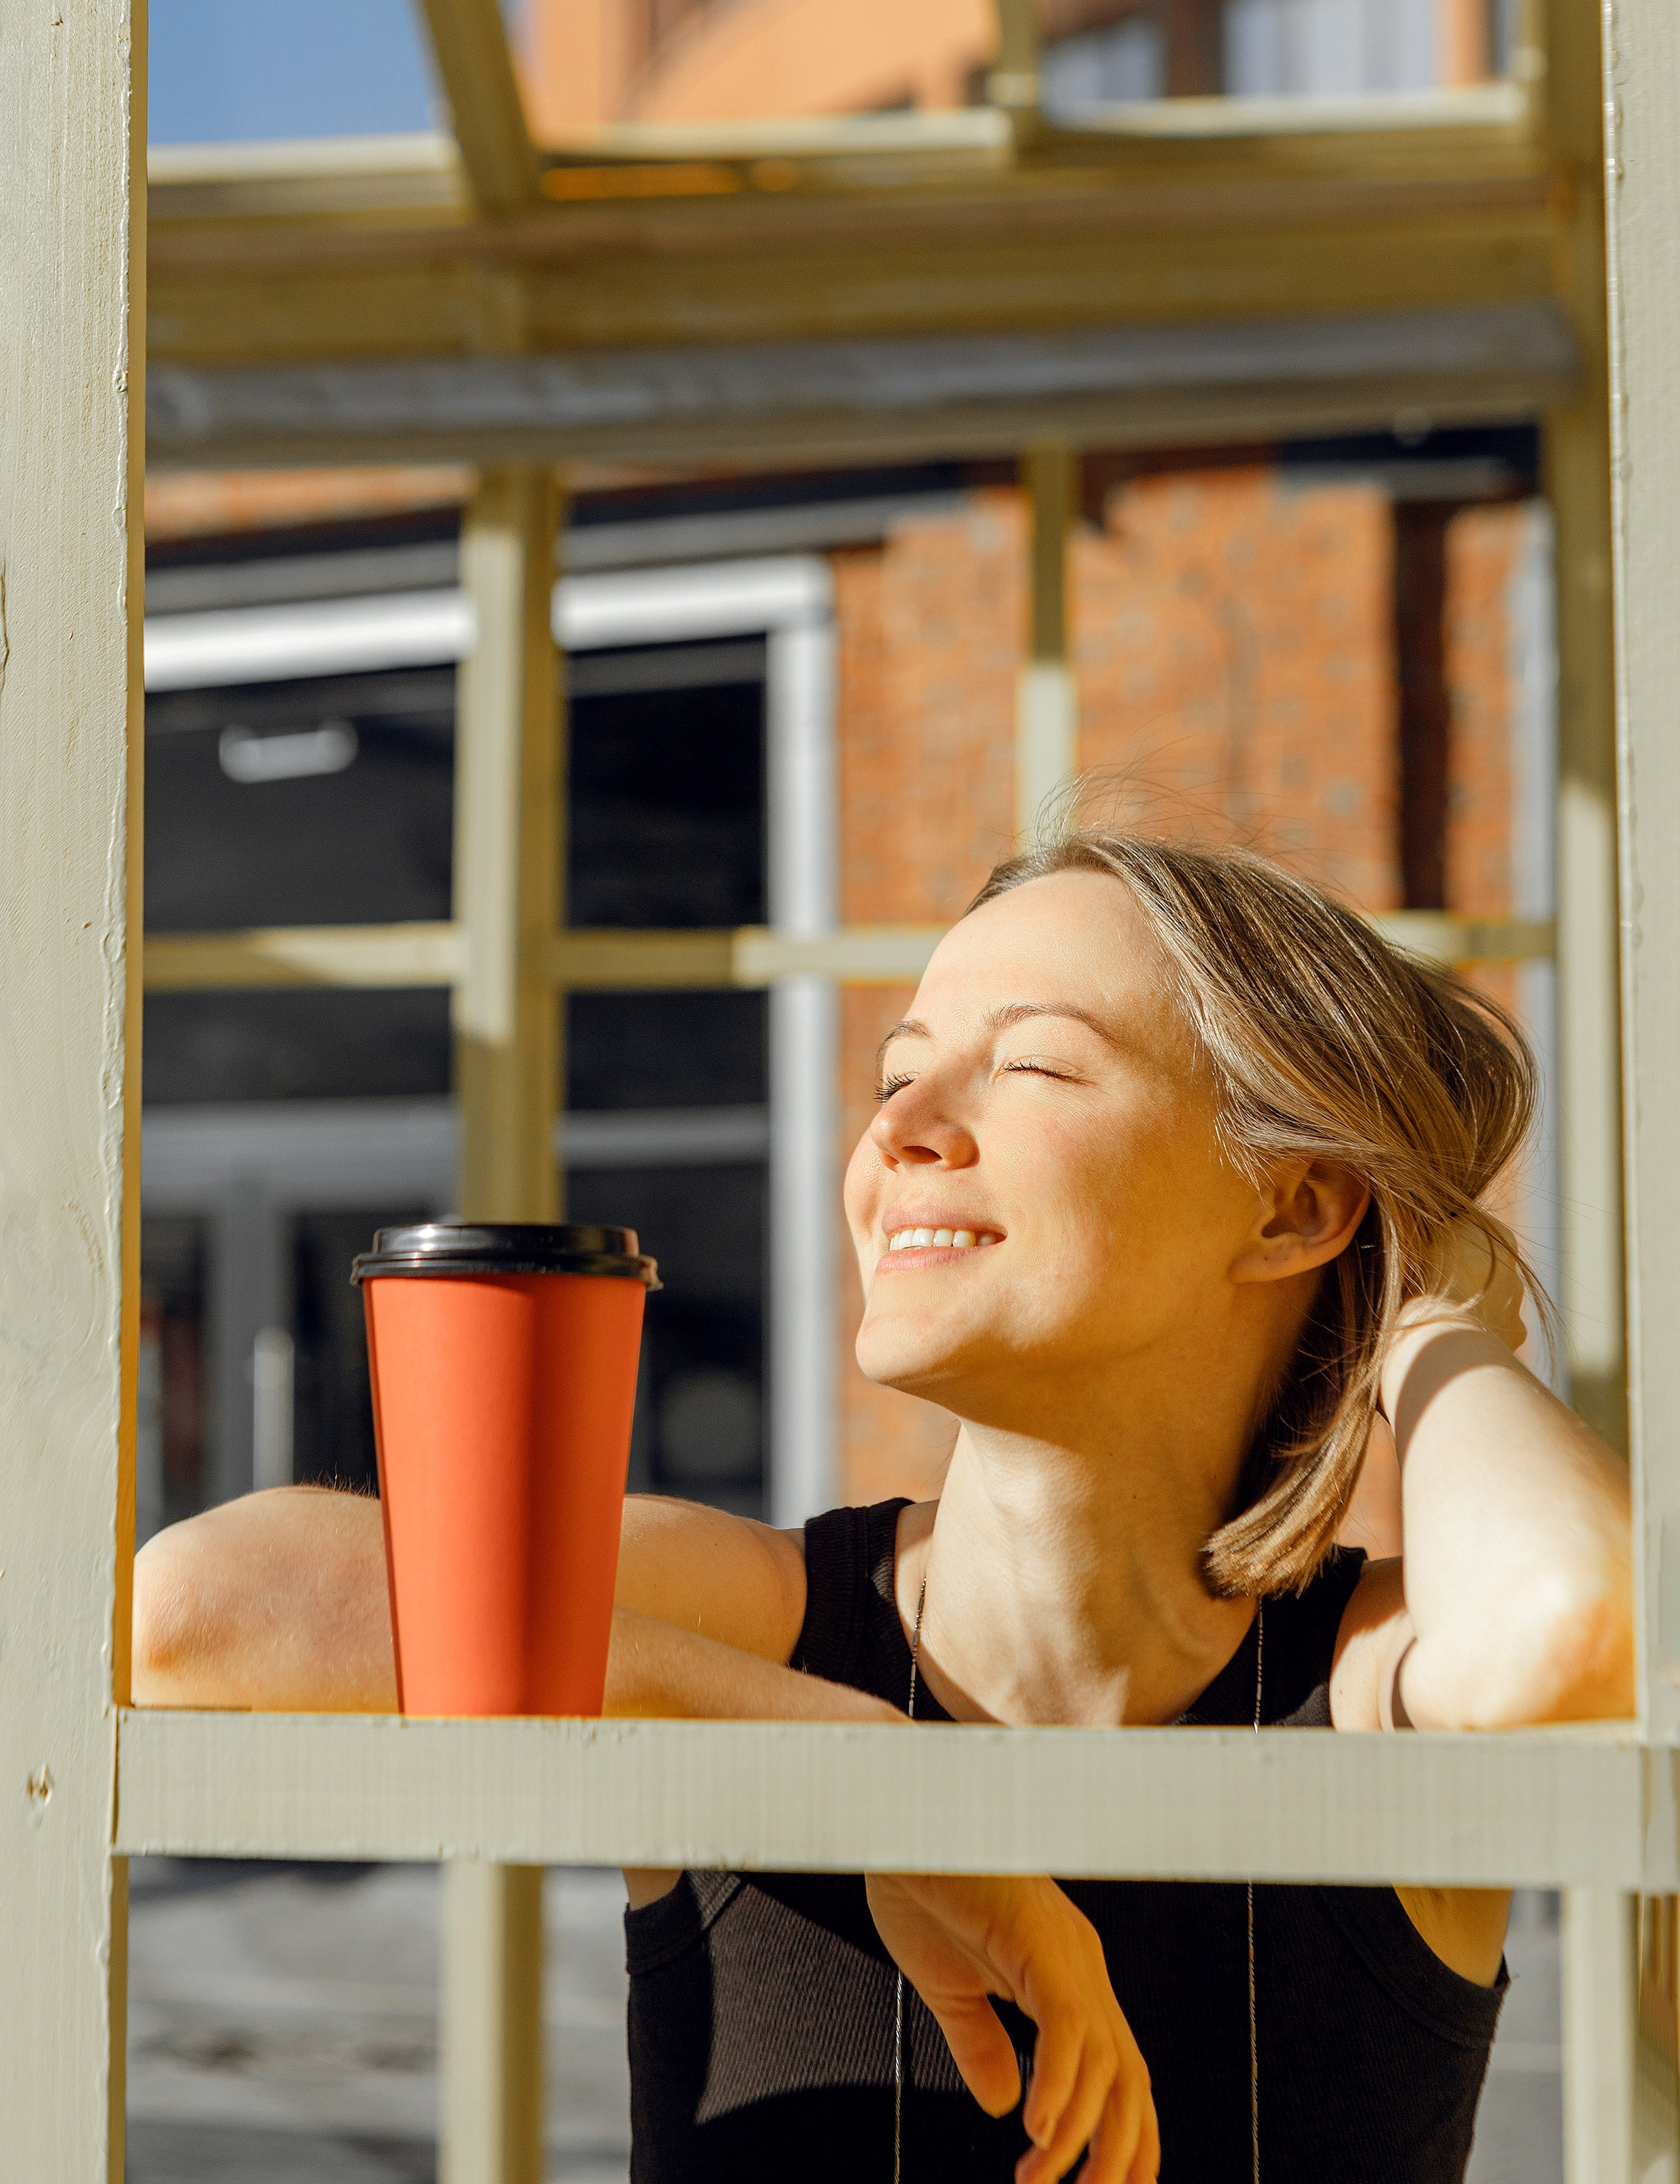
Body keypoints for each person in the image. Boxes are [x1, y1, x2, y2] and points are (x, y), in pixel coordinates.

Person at [134, 833, 1634, 2184]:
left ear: (1292, 1206)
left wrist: (1425, 1310)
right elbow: (189, 1611)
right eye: (893, 1072)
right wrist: (857, 1770)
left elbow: (1570, 1622)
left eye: (1034, 1064)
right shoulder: (768, 1630)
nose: (902, 1121)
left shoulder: (1365, 1682)